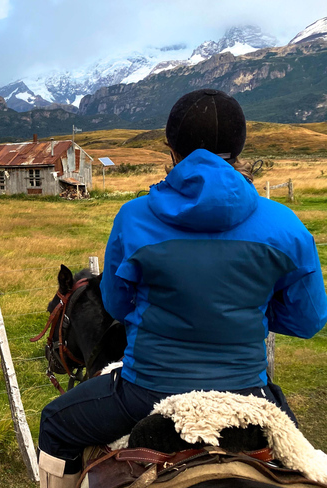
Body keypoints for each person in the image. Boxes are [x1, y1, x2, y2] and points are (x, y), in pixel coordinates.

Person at [36, 88, 327, 488]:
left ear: (171, 148)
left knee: (55, 423)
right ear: (240, 147)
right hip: (249, 389)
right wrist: (248, 309)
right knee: (306, 465)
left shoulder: (133, 217)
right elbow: (308, 320)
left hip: (146, 388)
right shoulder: (287, 225)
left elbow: (117, 306)